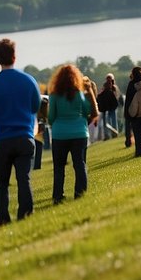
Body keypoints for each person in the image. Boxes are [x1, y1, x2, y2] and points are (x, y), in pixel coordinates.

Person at [0, 38, 41, 227]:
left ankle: (3, 218)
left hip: (4, 139)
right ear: (15, 55)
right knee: (24, 178)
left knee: (2, 182)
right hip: (25, 136)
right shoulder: (29, 80)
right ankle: (25, 214)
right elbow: (36, 106)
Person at [47, 65, 91, 203]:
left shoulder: (54, 95)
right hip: (79, 133)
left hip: (60, 134)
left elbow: (51, 117)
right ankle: (80, 194)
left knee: (59, 167)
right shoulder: (79, 93)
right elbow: (86, 111)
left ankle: (58, 196)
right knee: (79, 164)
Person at [97, 74, 120, 139]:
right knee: (109, 122)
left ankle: (113, 134)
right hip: (108, 107)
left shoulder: (113, 88)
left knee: (111, 122)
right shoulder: (107, 87)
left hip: (110, 107)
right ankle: (110, 134)